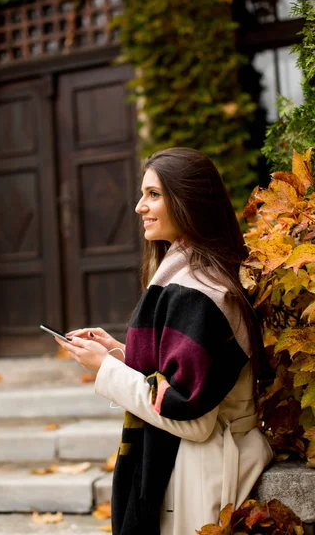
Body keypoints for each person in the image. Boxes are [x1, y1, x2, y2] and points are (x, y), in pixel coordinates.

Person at [54, 147, 274, 535]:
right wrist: (119, 354)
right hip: (200, 463)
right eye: (143, 194)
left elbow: (191, 418)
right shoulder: (200, 274)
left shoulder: (199, 291)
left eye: (154, 194)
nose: (140, 206)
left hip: (203, 470)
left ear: (188, 201)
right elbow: (179, 375)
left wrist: (105, 370)